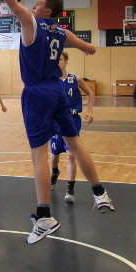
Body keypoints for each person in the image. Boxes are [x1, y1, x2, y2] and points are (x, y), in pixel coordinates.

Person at [0, 0, 114, 245]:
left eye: (36, 2)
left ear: (46, 9)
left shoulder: (31, 24)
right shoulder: (61, 31)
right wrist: (81, 46)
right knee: (74, 143)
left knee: (39, 154)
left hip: (36, 93)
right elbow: (91, 48)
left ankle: (45, 215)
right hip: (59, 89)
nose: (32, 4)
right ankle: (100, 193)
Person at [49, 52, 95, 204]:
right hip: (56, 122)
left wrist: (89, 111)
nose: (57, 63)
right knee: (54, 155)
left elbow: (90, 93)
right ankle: (55, 172)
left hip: (72, 120)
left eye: (60, 60)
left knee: (70, 155)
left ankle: (70, 190)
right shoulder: (51, 81)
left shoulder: (75, 79)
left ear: (66, 62)